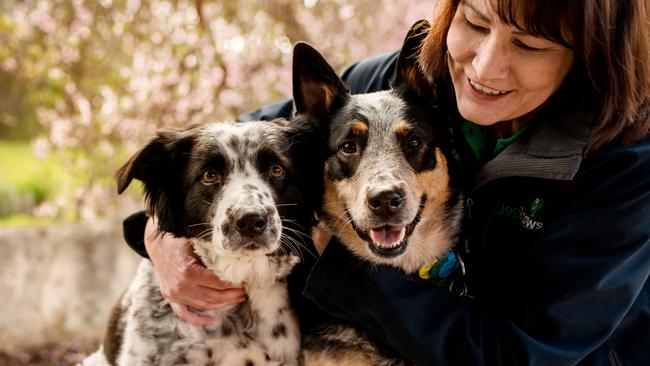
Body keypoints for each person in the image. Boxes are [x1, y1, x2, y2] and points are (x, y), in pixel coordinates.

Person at [122, 0, 650, 364]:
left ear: (590, 55)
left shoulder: (626, 169)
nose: (486, 67)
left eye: (530, 45)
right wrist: (158, 234)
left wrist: (339, 269)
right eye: (475, 21)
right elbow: (236, 149)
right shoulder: (393, 83)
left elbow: (517, 356)